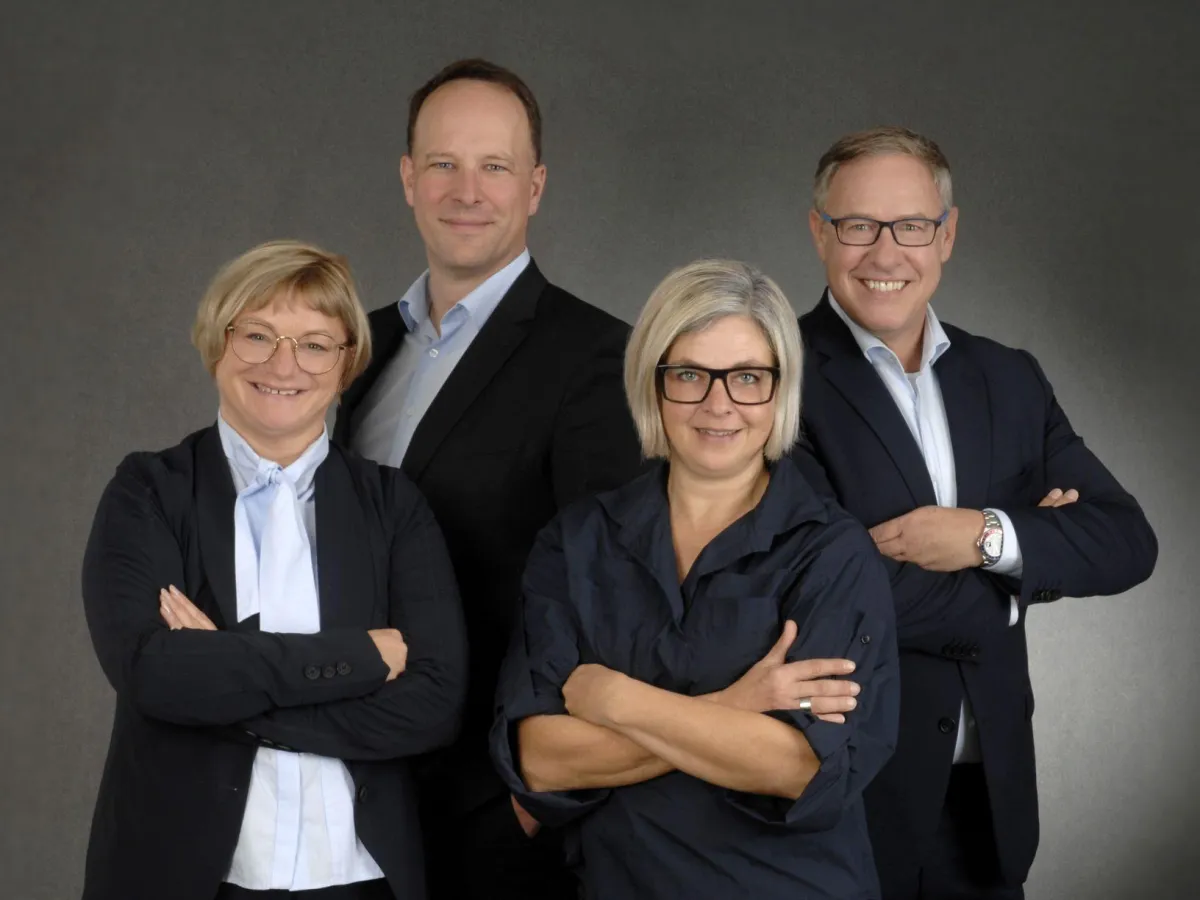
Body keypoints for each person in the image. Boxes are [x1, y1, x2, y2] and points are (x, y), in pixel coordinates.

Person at [798, 126, 1159, 899]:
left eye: (913, 226)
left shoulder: (1009, 379)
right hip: (847, 797)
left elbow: (1127, 540)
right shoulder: (773, 379)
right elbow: (827, 590)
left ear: (948, 235)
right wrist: (1027, 568)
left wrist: (985, 536)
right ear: (819, 231)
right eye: (858, 226)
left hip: (988, 805)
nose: (886, 254)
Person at [492, 259, 899, 899]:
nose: (719, 405)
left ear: (780, 389)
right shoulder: (578, 540)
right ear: (652, 383)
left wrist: (615, 700)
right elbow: (542, 757)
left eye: (746, 378)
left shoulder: (831, 553)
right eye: (689, 374)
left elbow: (799, 766)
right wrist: (734, 707)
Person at [333, 59, 643, 899]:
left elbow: (612, 596)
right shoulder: (350, 350)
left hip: (490, 803)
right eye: (443, 164)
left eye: (494, 166)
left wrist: (536, 800)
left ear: (534, 186)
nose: (466, 190)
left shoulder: (598, 358)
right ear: (407, 178)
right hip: (345, 783)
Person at [81, 240, 468, 900]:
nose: (283, 364)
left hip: (362, 877)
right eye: (257, 335)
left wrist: (226, 678)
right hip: (184, 876)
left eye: (316, 344)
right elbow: (151, 672)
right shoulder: (148, 490)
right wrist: (358, 658)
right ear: (217, 343)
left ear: (345, 364)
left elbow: (432, 705)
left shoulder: (393, 504)